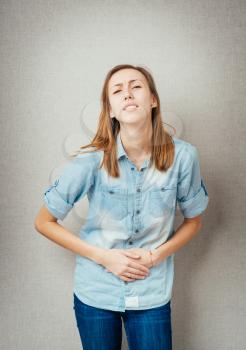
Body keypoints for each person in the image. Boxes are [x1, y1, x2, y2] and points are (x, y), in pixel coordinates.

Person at [34, 64, 209, 350]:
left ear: (153, 100)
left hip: (152, 292)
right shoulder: (91, 160)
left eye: (136, 86)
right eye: (117, 90)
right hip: (96, 292)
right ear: (111, 110)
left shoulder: (184, 157)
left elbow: (194, 221)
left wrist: (156, 256)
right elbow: (43, 222)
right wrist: (104, 257)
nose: (127, 93)